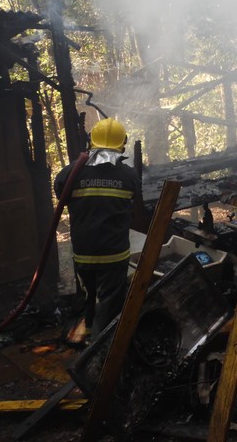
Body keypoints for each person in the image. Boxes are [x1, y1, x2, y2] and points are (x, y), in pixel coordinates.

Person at [54, 117, 141, 342]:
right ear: (122, 144)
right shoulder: (130, 176)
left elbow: (59, 190)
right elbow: (134, 200)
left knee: (89, 296)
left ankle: (89, 333)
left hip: (84, 253)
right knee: (110, 302)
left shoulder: (71, 173)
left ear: (91, 142)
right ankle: (102, 349)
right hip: (114, 255)